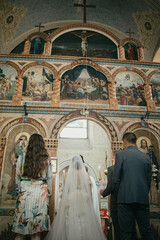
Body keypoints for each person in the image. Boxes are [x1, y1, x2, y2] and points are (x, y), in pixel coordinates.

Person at [45, 155, 106, 240]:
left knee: (70, 228)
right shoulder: (86, 176)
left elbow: (65, 192)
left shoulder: (69, 175)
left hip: (71, 205)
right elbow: (90, 194)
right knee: (83, 229)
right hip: (83, 205)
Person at [12, 133, 52, 240]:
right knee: (36, 233)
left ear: (29, 144)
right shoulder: (46, 159)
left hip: (24, 192)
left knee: (20, 232)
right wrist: (50, 193)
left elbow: (18, 176)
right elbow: (49, 178)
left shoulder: (22, 157)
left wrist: (18, 191)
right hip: (40, 192)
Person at [114, 132, 154, 240]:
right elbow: (148, 179)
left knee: (126, 232)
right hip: (142, 199)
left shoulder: (120, 155)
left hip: (125, 200)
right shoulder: (145, 157)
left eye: (123, 143)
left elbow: (116, 179)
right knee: (146, 231)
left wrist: (121, 194)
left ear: (125, 142)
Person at [100, 151, 138, 240]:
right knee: (130, 229)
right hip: (129, 202)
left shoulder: (112, 169)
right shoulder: (130, 169)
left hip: (116, 203)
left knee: (117, 229)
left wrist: (103, 193)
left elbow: (111, 186)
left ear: (113, 158)